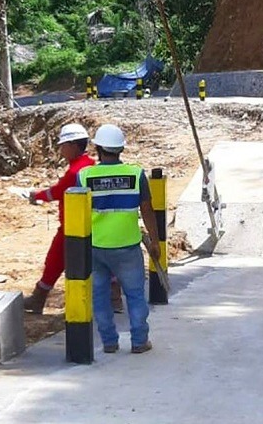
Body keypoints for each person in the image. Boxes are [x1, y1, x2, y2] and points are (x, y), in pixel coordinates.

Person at [77, 124, 160, 354]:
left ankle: (109, 342)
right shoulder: (135, 174)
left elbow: (77, 213)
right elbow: (147, 210)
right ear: (120, 149)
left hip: (95, 247)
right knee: (134, 295)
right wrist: (154, 241)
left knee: (100, 296)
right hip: (127, 247)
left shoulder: (84, 176)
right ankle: (139, 341)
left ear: (98, 148)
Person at [23, 123, 97, 314]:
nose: (61, 150)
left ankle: (38, 299)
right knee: (98, 261)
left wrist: (36, 195)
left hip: (72, 225)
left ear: (73, 145)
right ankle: (113, 298)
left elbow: (57, 191)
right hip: (91, 223)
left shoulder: (75, 171)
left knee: (55, 260)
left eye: (63, 146)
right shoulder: (89, 165)